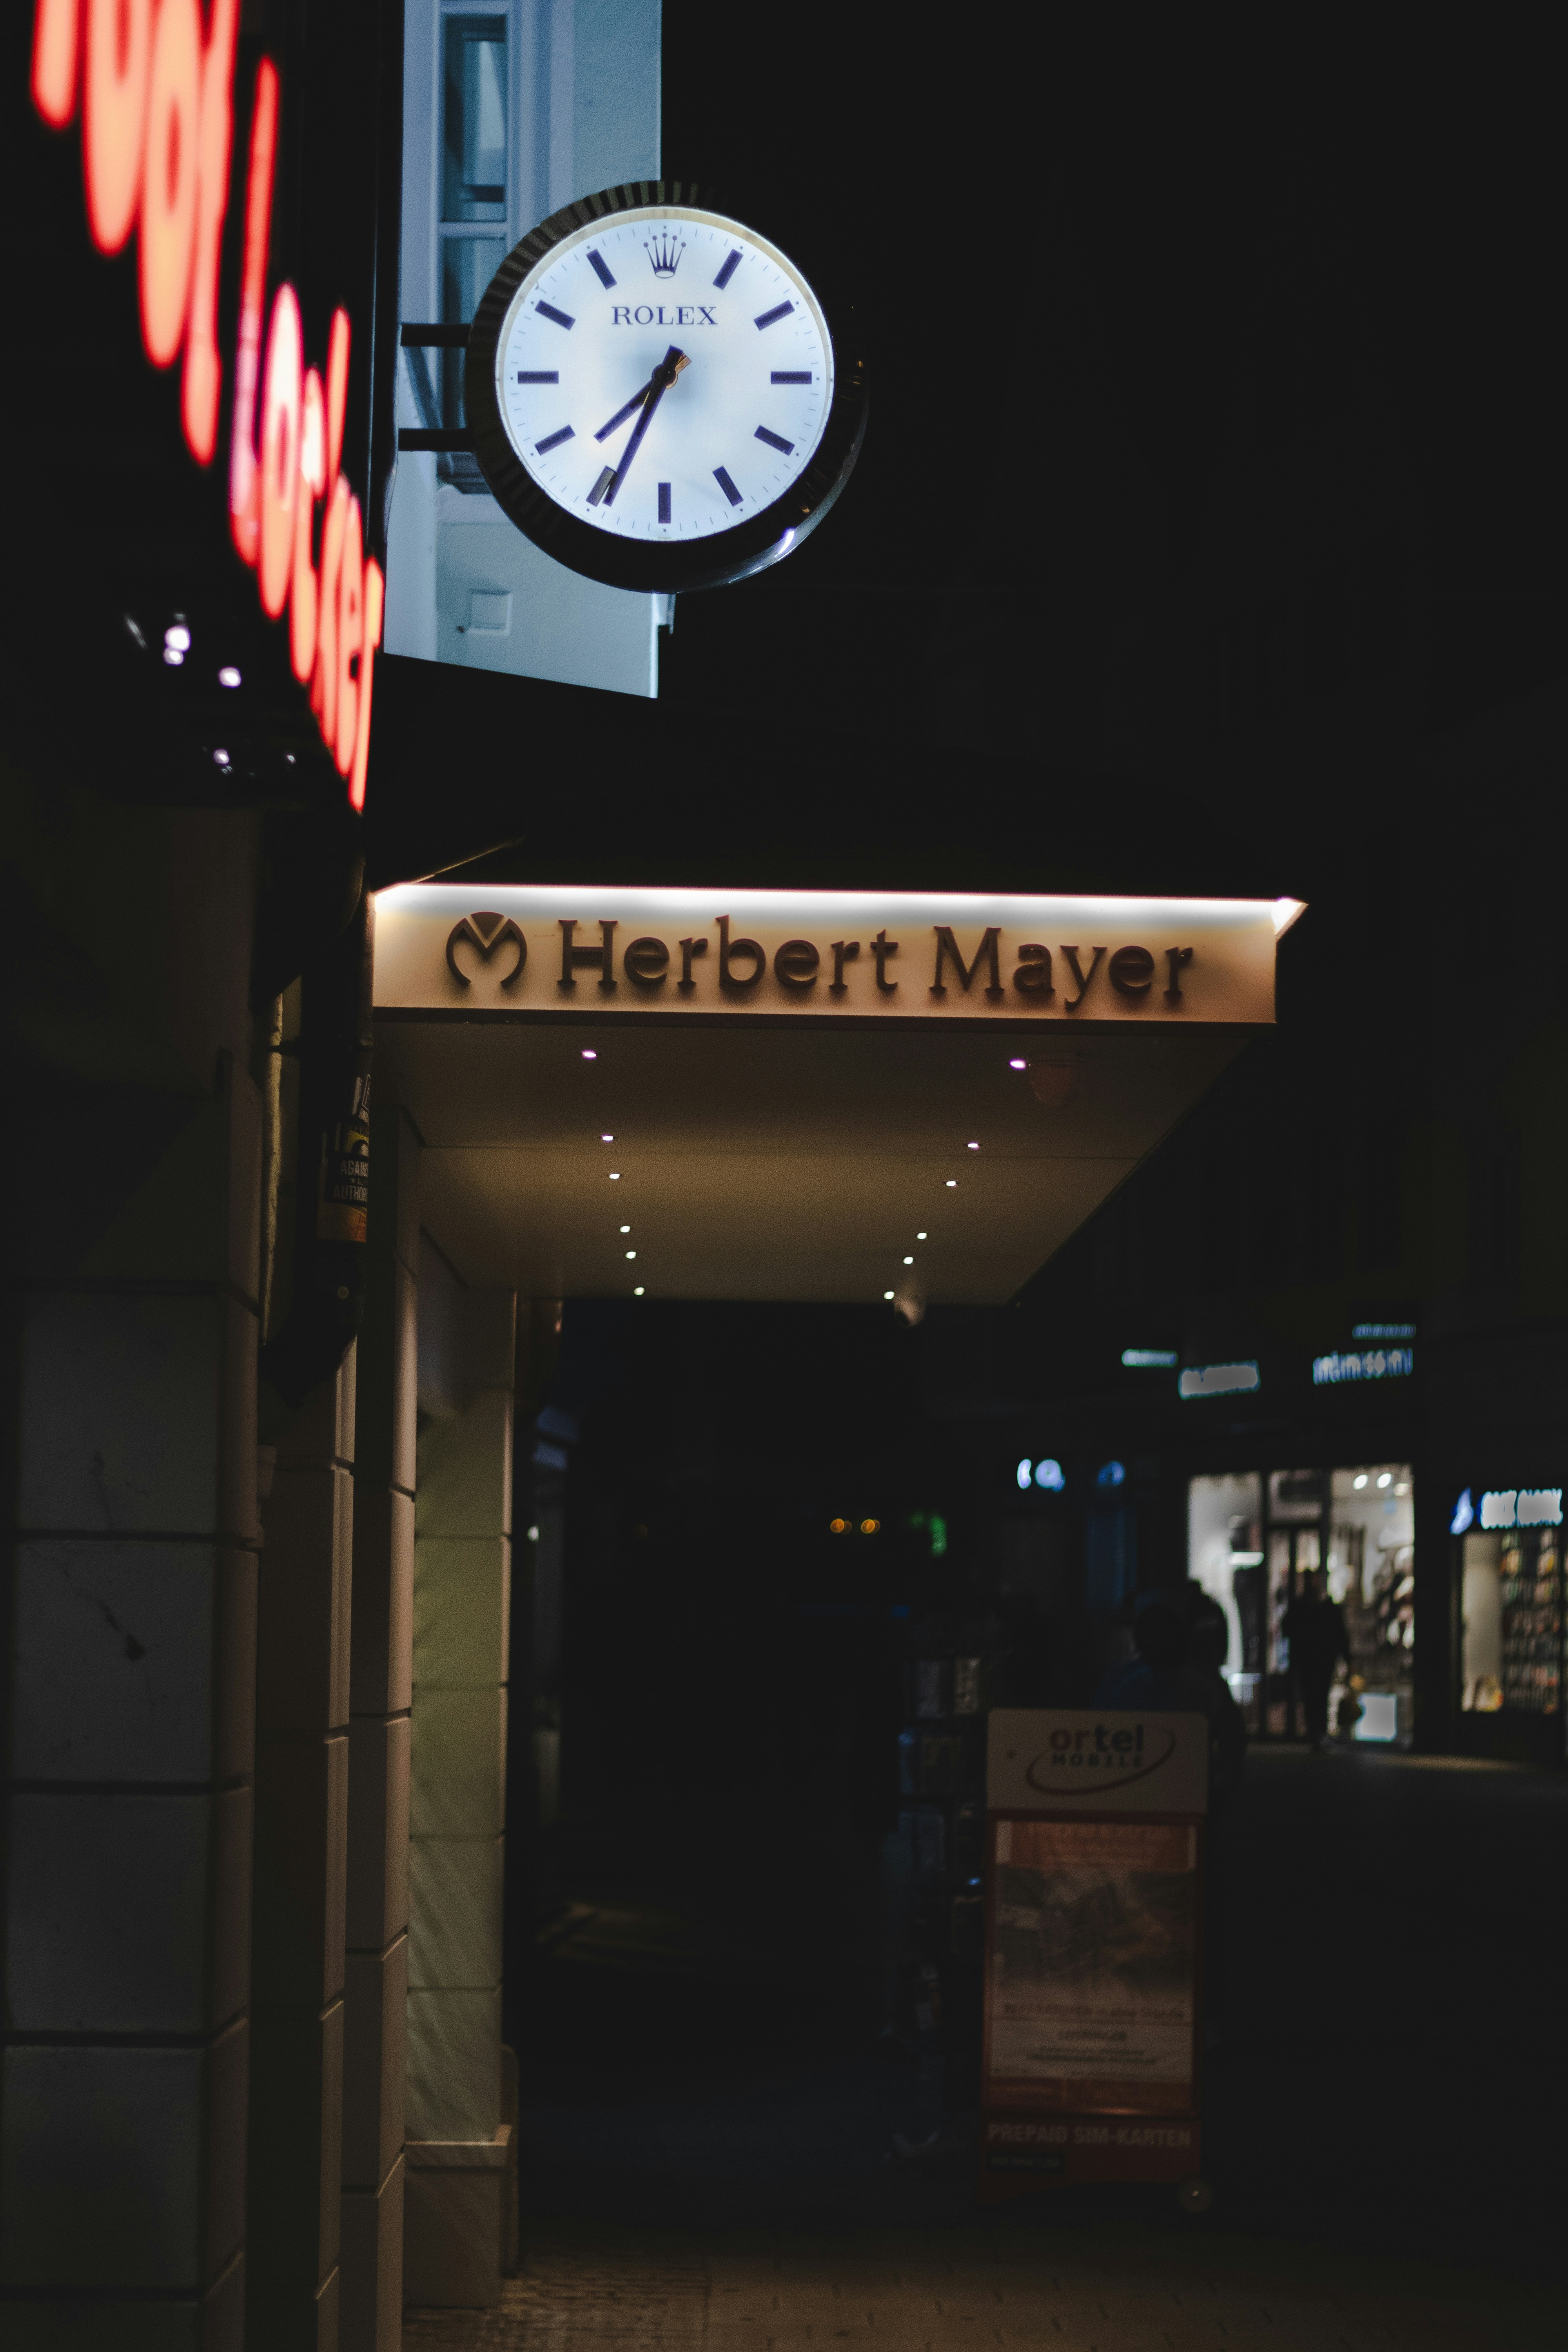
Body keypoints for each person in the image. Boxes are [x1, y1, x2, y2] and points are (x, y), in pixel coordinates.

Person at [1283, 1568, 1350, 1751]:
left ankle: (1317, 1732)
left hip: (1314, 1660)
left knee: (1315, 1696)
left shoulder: (1309, 1607)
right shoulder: (1324, 1608)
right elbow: (1341, 1635)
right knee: (1317, 1696)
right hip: (1317, 1660)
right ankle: (1318, 1732)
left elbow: (1287, 1628)